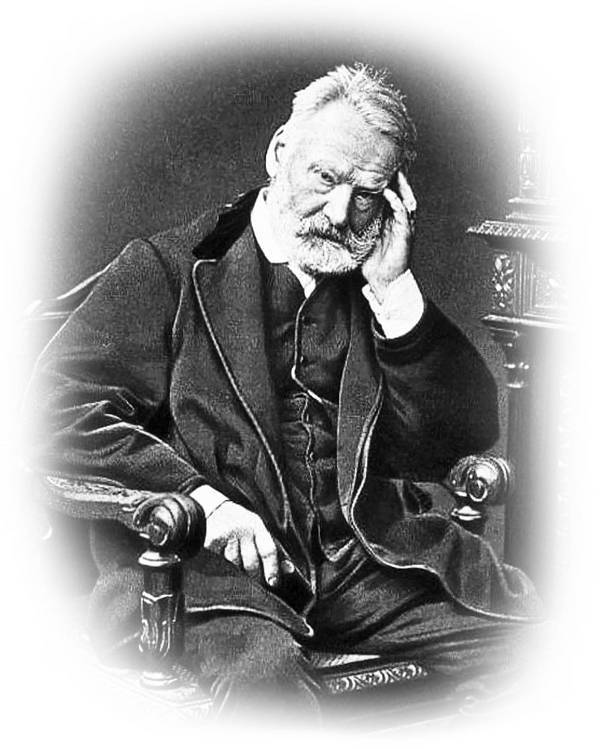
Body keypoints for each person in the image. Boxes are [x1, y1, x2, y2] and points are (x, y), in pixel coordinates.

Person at [28, 63, 541, 717]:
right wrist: (204, 503)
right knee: (266, 689)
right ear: (278, 153)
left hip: (359, 563)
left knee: (532, 644)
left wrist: (396, 291)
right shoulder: (168, 269)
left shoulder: (371, 281)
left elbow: (462, 434)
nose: (341, 213)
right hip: (207, 576)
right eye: (325, 177)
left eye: (367, 194)